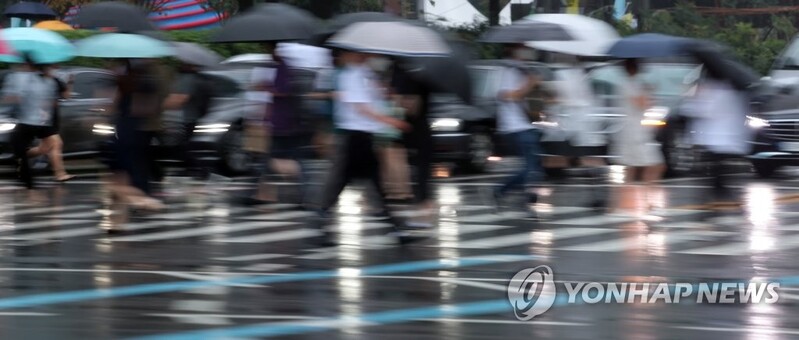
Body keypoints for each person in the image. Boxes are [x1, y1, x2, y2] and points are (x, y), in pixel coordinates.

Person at [315, 50, 412, 244]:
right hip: (354, 135)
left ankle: (394, 226)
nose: (370, 56)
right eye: (365, 53)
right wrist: (390, 121)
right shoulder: (351, 75)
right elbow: (361, 107)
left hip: (365, 136)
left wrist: (383, 91)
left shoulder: (365, 74)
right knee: (345, 181)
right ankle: (321, 218)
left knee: (370, 182)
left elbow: (374, 99)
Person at [682, 69, 750, 207]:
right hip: (726, 139)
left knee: (715, 169)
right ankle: (721, 193)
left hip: (716, 139)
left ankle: (718, 195)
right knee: (719, 170)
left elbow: (704, 111)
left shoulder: (716, 90)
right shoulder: (733, 90)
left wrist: (693, 101)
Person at [490, 45, 542, 218]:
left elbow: (527, 100)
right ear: (514, 50)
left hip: (526, 125)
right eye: (524, 48)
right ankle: (512, 194)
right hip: (514, 127)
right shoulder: (507, 70)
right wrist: (529, 84)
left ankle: (510, 193)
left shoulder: (522, 70)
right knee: (531, 167)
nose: (528, 51)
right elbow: (508, 95)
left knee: (534, 167)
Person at [612, 59, 665, 216]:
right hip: (635, 133)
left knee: (632, 169)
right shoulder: (630, 84)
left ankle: (621, 204)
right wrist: (649, 92)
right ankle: (646, 202)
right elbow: (642, 103)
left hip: (635, 131)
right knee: (654, 165)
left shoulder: (628, 83)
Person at [2, 54, 58, 189]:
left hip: (26, 121)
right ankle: (27, 172)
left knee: (18, 147)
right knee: (43, 145)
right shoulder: (47, 79)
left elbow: (13, 98)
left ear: (26, 64)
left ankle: (27, 179)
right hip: (42, 121)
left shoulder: (18, 77)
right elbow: (50, 101)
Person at [163, 61, 213, 178]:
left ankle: (200, 170)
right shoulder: (198, 77)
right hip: (194, 116)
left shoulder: (187, 78)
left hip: (188, 117)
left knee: (183, 146)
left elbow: (182, 98)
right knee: (186, 145)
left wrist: (162, 106)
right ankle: (193, 169)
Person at [27, 65, 74, 183]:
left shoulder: (56, 80)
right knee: (57, 143)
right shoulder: (36, 81)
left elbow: (66, 96)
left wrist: (70, 82)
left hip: (53, 119)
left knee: (43, 149)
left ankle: (21, 155)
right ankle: (60, 174)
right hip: (42, 119)